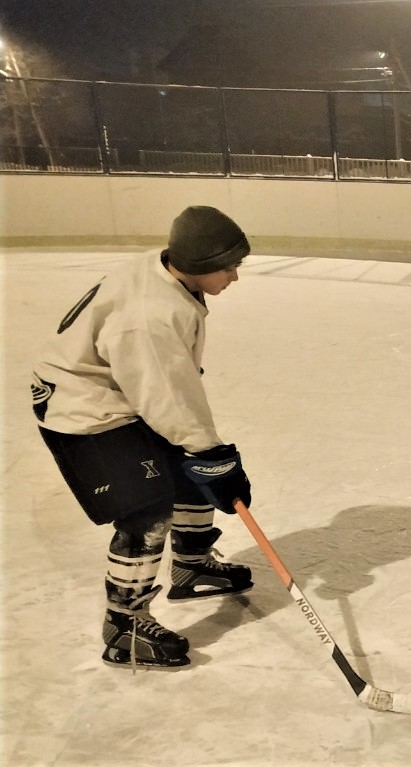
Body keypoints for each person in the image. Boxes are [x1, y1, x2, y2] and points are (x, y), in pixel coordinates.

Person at [31, 205, 256, 668]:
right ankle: (124, 626)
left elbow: (167, 393)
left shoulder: (168, 275)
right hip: (85, 411)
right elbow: (166, 399)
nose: (235, 276)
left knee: (190, 466)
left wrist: (205, 458)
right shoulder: (150, 316)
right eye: (229, 267)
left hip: (121, 392)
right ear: (197, 265)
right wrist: (215, 458)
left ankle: (191, 565)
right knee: (147, 510)